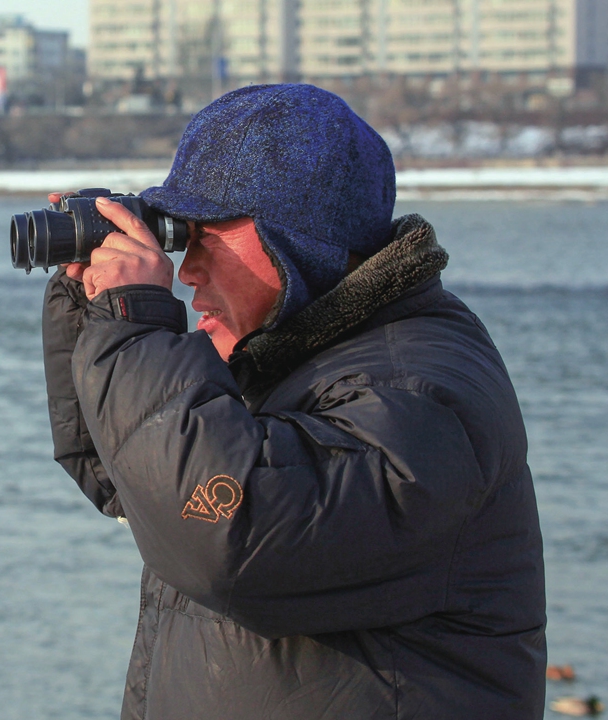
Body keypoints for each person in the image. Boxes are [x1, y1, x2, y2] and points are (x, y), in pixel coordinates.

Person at [41, 84, 546, 719]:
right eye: (179, 235)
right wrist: (91, 314)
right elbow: (131, 484)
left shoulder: (415, 391)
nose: (187, 267)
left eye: (206, 233)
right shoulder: (289, 360)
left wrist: (135, 325)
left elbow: (233, 543)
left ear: (300, 240)